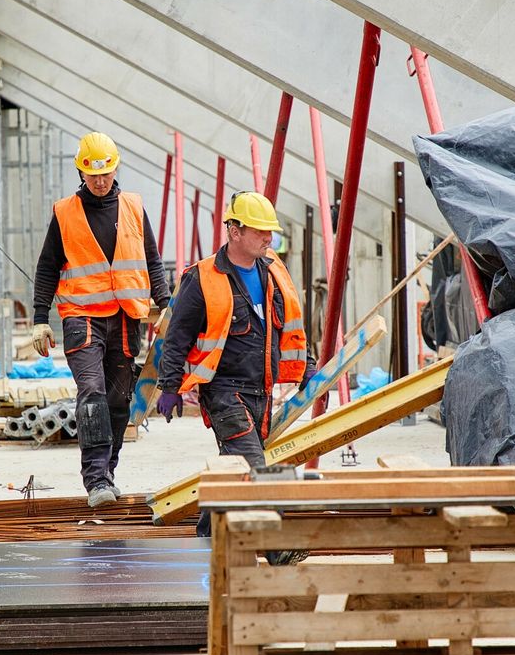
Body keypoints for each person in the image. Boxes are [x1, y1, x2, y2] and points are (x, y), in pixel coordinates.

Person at [155, 191, 315, 539]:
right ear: (235, 231)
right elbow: (177, 336)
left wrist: (307, 366)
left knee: (233, 470)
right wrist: (169, 387)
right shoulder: (203, 278)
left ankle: (208, 535)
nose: (267, 238)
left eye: (269, 231)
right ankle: (278, 547)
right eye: (259, 230)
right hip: (224, 391)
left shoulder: (273, 270)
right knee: (255, 469)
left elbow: (291, 324)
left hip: (262, 390)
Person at [31, 132, 170, 507]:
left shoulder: (134, 207)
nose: (100, 180)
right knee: (91, 390)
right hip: (81, 317)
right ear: (81, 171)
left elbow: (152, 261)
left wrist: (166, 303)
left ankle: (107, 472)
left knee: (119, 400)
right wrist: (40, 318)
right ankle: (95, 480)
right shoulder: (65, 213)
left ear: (115, 168)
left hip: (126, 317)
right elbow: (47, 268)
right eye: (93, 174)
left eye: (106, 172)